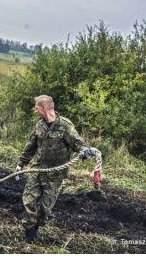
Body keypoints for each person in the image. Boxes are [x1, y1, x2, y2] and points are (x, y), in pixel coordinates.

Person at [16, 95, 92, 244]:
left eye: (37, 108)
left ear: (44, 108)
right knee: (29, 201)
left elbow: (77, 143)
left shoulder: (65, 125)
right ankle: (29, 234)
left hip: (55, 175)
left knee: (45, 208)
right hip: (37, 171)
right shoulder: (39, 126)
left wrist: (84, 151)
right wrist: (21, 163)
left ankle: (37, 227)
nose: (35, 110)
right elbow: (30, 147)